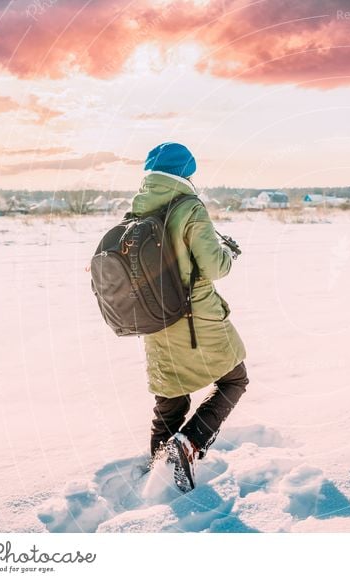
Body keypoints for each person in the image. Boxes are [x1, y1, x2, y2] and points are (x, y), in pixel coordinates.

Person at [131, 142, 248, 492]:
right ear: (186, 172)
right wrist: (227, 252)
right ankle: (190, 443)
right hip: (195, 319)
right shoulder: (189, 208)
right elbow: (213, 265)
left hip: (154, 320)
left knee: (170, 400)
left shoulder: (137, 211)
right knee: (234, 379)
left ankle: (159, 477)